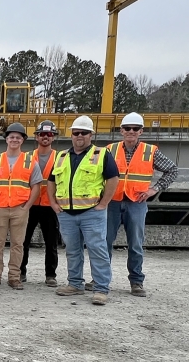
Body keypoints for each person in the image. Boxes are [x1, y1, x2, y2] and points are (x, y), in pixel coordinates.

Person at [48, 115, 119, 306]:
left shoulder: (101, 154)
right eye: (76, 132)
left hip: (92, 212)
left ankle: (101, 289)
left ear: (91, 135)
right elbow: (51, 181)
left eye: (84, 133)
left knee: (97, 249)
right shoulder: (61, 156)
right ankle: (75, 284)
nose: (79, 136)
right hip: (67, 214)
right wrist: (53, 204)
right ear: (71, 135)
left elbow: (113, 179)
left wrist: (104, 203)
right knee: (72, 250)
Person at [105, 112, 178, 297]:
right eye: (127, 128)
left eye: (135, 129)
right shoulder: (109, 150)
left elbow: (172, 170)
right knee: (104, 242)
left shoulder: (150, 151)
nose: (131, 131)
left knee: (136, 244)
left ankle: (136, 281)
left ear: (141, 131)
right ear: (121, 130)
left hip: (137, 202)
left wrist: (155, 189)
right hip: (112, 202)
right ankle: (100, 278)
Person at [0, 123, 42, 290]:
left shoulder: (30, 161)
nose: (14, 140)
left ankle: (14, 277)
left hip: (20, 209)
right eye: (11, 137)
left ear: (23, 140)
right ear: (6, 139)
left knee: (18, 244)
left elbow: (36, 186)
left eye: (18, 137)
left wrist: (26, 207)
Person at [20, 121, 60, 287]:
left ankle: (50, 274)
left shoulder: (60, 157)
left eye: (49, 134)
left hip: (50, 205)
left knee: (51, 242)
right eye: (42, 134)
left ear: (53, 137)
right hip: (30, 204)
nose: (45, 137)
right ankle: (21, 271)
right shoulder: (27, 158)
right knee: (23, 240)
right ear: (36, 136)